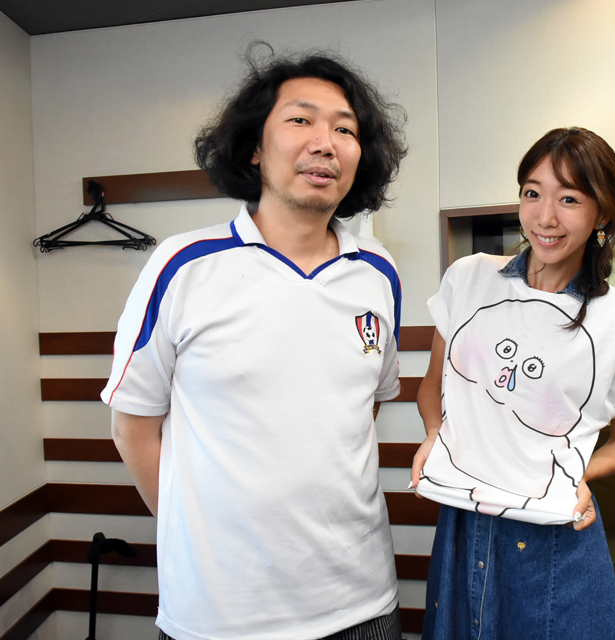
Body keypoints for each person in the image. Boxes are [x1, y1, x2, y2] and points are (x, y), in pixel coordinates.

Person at [101, 47, 407, 640]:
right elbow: (132, 427)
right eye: (300, 120)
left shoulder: (377, 270)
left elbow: (359, 410)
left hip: (364, 605)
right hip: (220, 617)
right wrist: (199, 541)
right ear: (255, 148)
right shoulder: (183, 265)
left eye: (344, 129)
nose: (325, 143)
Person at [410, 127, 615, 639]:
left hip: (552, 531)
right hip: (463, 514)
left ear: (602, 214)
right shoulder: (468, 278)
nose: (545, 217)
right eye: (532, 193)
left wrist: (579, 477)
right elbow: (431, 388)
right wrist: (436, 435)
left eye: (569, 199)